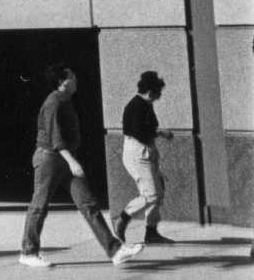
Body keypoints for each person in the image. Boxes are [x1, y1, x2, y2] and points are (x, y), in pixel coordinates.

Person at [20, 64, 142, 268]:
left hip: (64, 158)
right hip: (50, 158)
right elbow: (55, 137)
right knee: (39, 205)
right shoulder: (54, 102)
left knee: (88, 204)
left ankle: (115, 251)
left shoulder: (65, 100)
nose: (75, 79)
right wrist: (72, 161)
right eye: (72, 76)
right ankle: (28, 252)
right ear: (62, 82)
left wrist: (70, 159)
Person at [113, 70, 175, 247]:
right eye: (157, 94)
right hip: (137, 152)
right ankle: (123, 217)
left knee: (158, 192)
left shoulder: (145, 105)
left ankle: (151, 232)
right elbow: (137, 131)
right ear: (150, 91)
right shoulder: (135, 106)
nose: (158, 97)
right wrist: (160, 133)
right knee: (151, 195)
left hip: (146, 151)